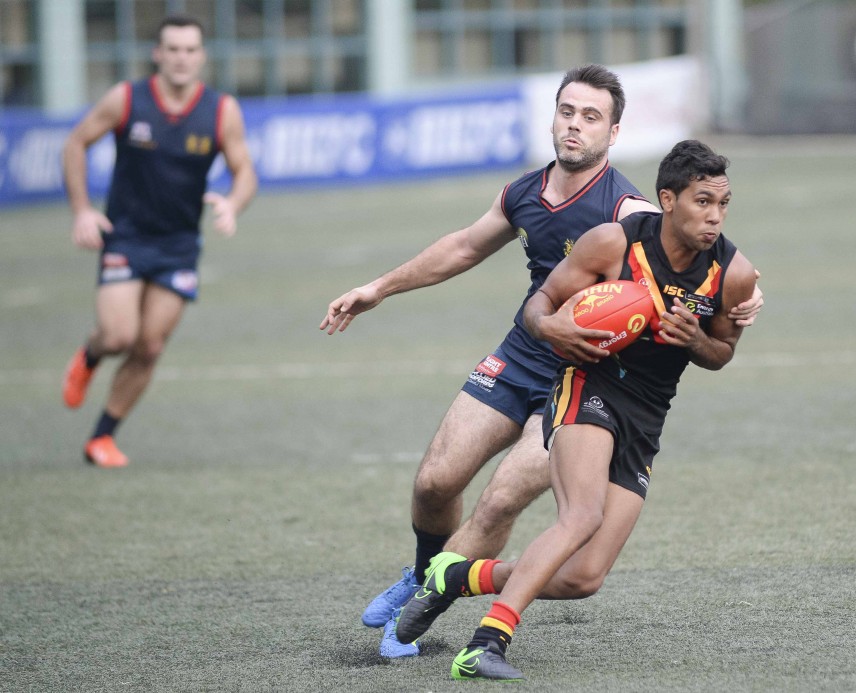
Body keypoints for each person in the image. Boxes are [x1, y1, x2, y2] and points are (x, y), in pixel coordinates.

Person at [320, 65, 763, 658]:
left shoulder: (627, 209)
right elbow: (464, 246)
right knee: (435, 482)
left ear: (613, 133)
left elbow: (693, 255)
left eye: (591, 117)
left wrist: (747, 296)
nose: (575, 125)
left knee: (500, 501)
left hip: (585, 375)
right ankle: (426, 574)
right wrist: (380, 287)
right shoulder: (525, 192)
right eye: (567, 111)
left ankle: (418, 613)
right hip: (525, 352)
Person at [61, 15, 257, 468]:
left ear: (201, 56)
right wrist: (82, 210)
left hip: (178, 245)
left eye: (190, 50)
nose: (181, 58)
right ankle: (91, 354)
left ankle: (101, 438)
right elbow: (75, 144)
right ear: (157, 54)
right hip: (126, 237)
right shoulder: (126, 99)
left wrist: (233, 203)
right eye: (172, 49)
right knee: (119, 335)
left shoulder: (221, 109)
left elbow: (244, 169)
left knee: (149, 346)